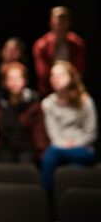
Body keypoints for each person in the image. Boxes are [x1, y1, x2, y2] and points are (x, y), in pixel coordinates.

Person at [41, 61, 97, 191]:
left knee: (53, 154)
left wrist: (73, 144)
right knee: (69, 166)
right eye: (53, 75)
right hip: (58, 147)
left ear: (71, 77)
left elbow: (91, 133)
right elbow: (53, 132)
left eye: (60, 75)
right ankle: (48, 199)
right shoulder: (48, 103)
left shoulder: (85, 101)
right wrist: (63, 145)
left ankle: (44, 196)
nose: (56, 79)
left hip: (81, 148)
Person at [0, 62, 48, 163]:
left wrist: (41, 151)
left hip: (27, 146)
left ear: (24, 80)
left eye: (18, 78)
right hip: (5, 146)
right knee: (3, 161)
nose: (14, 82)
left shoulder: (33, 102)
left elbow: (39, 131)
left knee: (26, 162)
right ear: (4, 82)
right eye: (10, 79)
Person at [33, 6, 85, 97]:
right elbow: (43, 74)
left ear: (68, 24)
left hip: (72, 90)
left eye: (63, 23)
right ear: (51, 24)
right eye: (57, 23)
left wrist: (68, 85)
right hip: (48, 91)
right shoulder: (41, 45)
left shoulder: (77, 44)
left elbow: (79, 70)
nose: (60, 27)